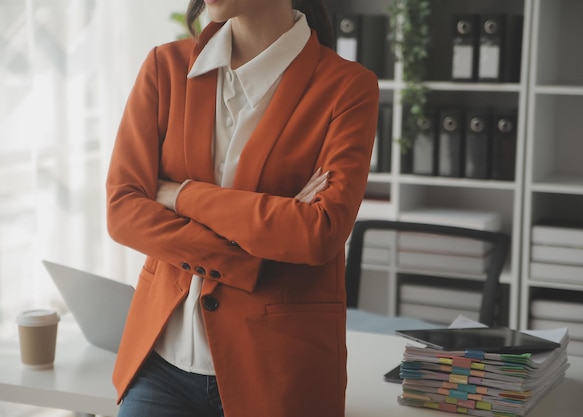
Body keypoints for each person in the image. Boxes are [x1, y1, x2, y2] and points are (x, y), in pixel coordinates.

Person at [105, 0, 379, 416]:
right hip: (161, 365)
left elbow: (318, 233)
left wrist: (180, 195)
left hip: (280, 374)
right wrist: (257, 247)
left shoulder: (347, 87)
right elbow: (123, 211)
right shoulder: (165, 68)